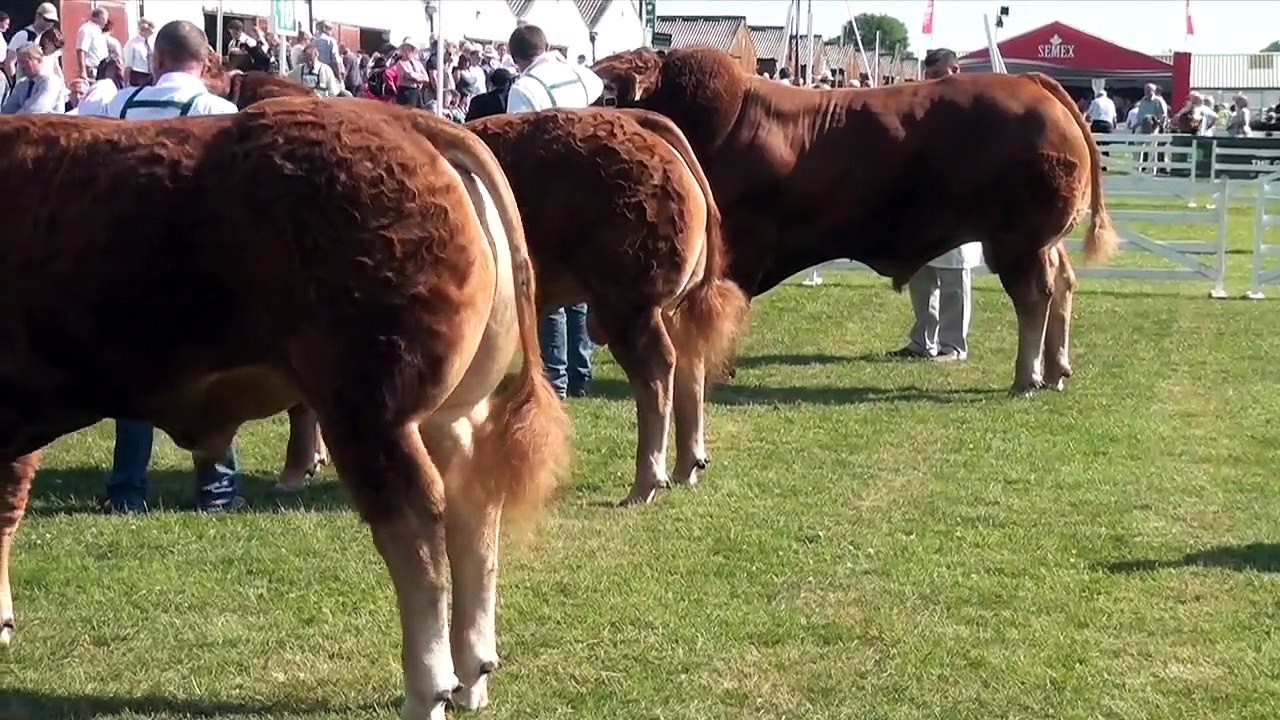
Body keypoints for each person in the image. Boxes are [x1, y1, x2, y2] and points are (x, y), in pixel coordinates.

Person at [85, 19, 246, 514]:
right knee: (208, 378)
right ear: (205, 63)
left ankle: (127, 489)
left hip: (125, 258)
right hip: (193, 259)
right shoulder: (218, 111)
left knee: (136, 379)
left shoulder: (119, 105)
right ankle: (216, 489)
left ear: (156, 61)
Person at [504, 24, 605, 397]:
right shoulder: (585, 76)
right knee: (580, 284)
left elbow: (516, 145)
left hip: (550, 194)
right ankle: (581, 373)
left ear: (516, 58)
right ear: (546, 45)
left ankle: (556, 379)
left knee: (547, 289)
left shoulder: (525, 89)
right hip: (591, 190)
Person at [888, 47, 982, 363]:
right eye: (929, 76)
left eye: (939, 75)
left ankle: (953, 345)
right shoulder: (918, 105)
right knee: (922, 275)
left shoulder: (973, 107)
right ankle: (922, 341)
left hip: (958, 201)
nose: (932, 82)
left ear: (956, 70)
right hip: (923, 201)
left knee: (955, 279)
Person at [1, 45, 62, 114]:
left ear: (39, 60)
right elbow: (8, 109)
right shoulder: (22, 84)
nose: (22, 66)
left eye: (25, 62)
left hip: (47, 123)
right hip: (20, 122)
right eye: (20, 62)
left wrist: (13, 120)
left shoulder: (51, 82)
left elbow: (36, 109)